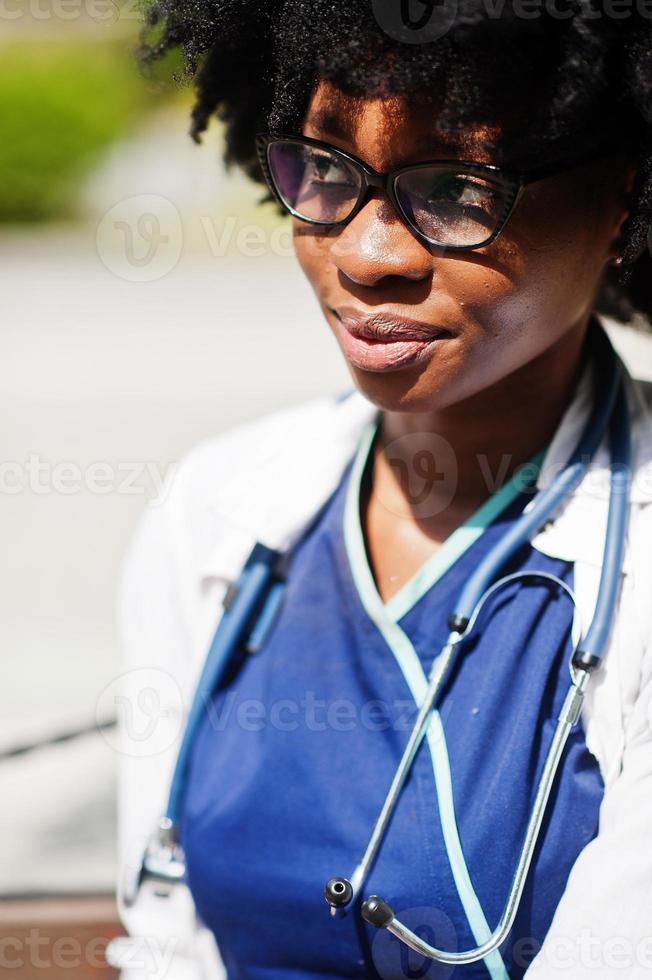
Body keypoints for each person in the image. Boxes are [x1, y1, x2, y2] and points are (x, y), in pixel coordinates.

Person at [107, 2, 652, 978]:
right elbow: (166, 940)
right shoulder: (222, 506)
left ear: (622, 194)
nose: (366, 254)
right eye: (324, 168)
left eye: (454, 186)